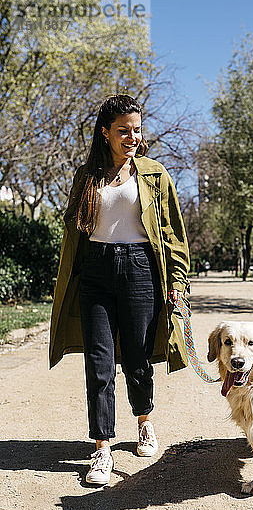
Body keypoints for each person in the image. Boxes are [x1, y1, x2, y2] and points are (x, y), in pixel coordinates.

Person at [49, 95, 190, 486]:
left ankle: (144, 422)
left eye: (137, 129)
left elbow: (173, 234)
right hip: (96, 271)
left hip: (140, 269)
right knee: (99, 363)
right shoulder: (87, 176)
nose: (132, 136)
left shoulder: (154, 174)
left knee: (138, 358)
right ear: (105, 132)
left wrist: (177, 282)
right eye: (123, 130)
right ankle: (102, 448)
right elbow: (74, 233)